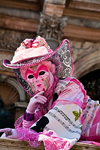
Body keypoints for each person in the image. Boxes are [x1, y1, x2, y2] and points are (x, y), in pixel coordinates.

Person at [0, 36, 100, 150]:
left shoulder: (70, 86)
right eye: (31, 76)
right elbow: (30, 132)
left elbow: (56, 121)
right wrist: (30, 110)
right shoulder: (43, 100)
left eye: (41, 72)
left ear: (51, 71)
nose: (37, 79)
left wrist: (20, 134)